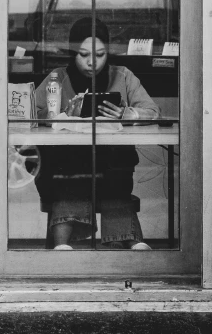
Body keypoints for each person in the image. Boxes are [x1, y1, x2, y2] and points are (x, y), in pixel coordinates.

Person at [34, 16, 160, 251]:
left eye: (100, 54)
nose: (92, 62)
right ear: (72, 53)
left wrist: (127, 114)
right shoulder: (57, 78)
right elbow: (32, 114)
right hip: (67, 168)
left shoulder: (123, 76)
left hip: (112, 167)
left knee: (114, 187)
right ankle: (62, 247)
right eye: (83, 55)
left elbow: (152, 111)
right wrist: (61, 114)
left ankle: (131, 244)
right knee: (74, 184)